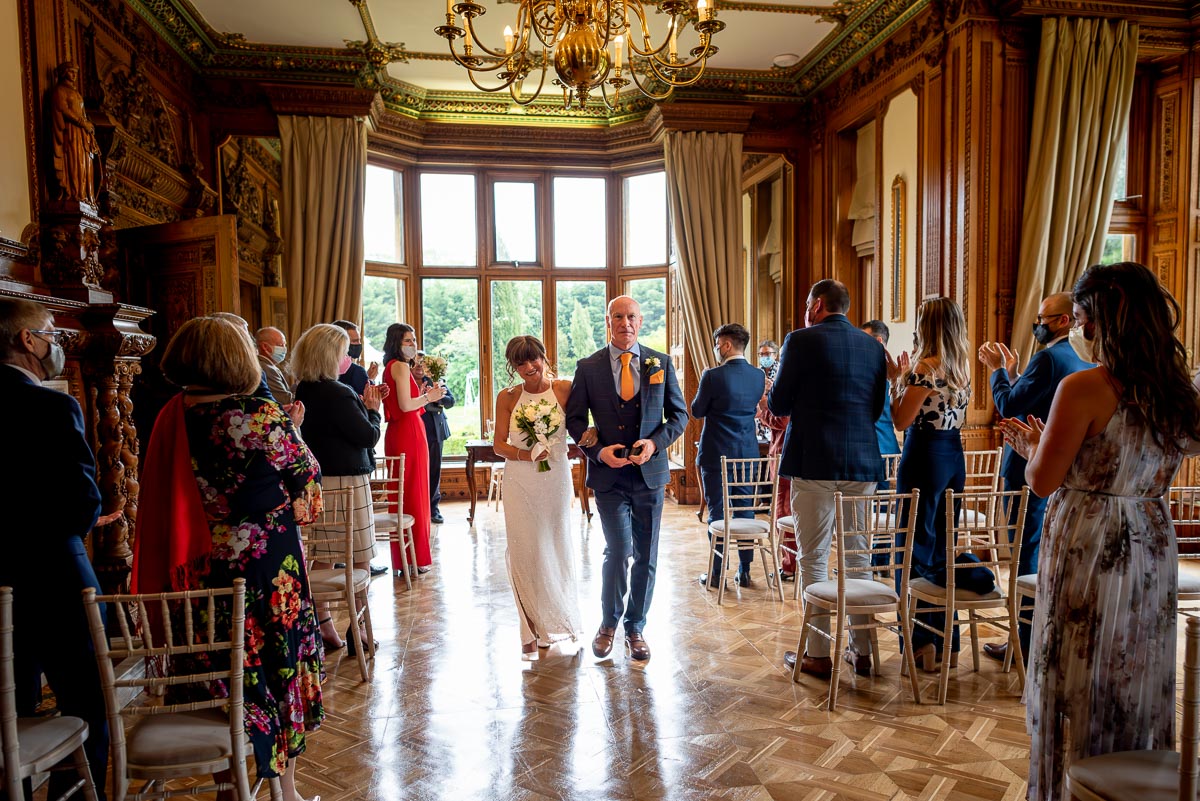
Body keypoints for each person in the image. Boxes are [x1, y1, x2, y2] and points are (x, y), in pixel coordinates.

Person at [1001, 262, 1200, 801]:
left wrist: (1032, 450)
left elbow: (1042, 482)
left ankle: (1073, 787)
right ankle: (1129, 777)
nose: (1082, 333)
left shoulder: (1084, 387)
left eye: (1084, 319)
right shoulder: (1178, 390)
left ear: (1099, 322)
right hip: (1152, 537)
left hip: (1090, 538)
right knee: (1134, 662)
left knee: (1078, 666)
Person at [132, 316, 324, 801]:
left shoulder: (171, 415)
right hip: (266, 570)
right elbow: (310, 493)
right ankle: (289, 792)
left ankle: (230, 787)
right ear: (238, 359)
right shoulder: (260, 415)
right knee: (279, 667)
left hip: (199, 567)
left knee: (224, 672)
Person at [0, 298, 111, 799]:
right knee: (87, 699)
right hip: (54, 573)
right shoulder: (50, 405)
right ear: (27, 340)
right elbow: (81, 499)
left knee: (9, 708)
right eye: (50, 332)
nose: (57, 343)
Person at [767, 279, 886, 679]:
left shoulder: (800, 341)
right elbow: (873, 409)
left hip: (813, 460)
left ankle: (818, 654)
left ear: (817, 305)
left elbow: (780, 403)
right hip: (862, 462)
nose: (805, 311)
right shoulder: (873, 346)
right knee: (858, 556)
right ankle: (863, 651)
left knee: (814, 556)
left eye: (806, 303)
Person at [566, 295, 687, 662]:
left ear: (641, 320)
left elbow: (678, 416)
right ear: (608, 321)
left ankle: (636, 627)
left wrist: (654, 443)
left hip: (650, 475)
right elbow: (574, 420)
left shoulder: (660, 362)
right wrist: (598, 450)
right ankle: (608, 623)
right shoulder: (588, 367)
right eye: (618, 316)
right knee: (618, 550)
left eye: (631, 316)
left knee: (647, 555)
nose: (625, 322)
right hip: (609, 477)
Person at [977, 292, 1089, 665]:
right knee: (1038, 553)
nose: (1037, 323)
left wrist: (996, 370)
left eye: (1043, 317)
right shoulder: (1074, 359)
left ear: (1064, 321)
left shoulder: (1048, 358)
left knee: (1025, 555)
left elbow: (1010, 406)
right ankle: (1033, 639)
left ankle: (1023, 643)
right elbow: (1029, 396)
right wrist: (1013, 374)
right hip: (1056, 470)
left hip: (1027, 467)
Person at [886, 297, 972, 672]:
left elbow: (901, 421)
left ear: (928, 325)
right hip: (953, 455)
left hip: (923, 455)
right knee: (943, 551)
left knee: (914, 548)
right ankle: (947, 644)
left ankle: (921, 643)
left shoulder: (925, 368)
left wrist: (895, 381)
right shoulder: (962, 368)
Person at [292, 323, 383, 652]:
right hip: (349, 480)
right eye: (344, 351)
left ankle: (325, 623)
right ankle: (358, 628)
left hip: (320, 480)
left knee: (326, 555)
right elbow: (368, 436)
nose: (348, 357)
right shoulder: (338, 392)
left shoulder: (305, 388)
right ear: (330, 355)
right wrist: (373, 410)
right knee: (359, 557)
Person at [491, 336, 584, 659]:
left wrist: (593, 435)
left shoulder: (563, 389)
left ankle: (554, 623)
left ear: (544, 357)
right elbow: (498, 445)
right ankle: (528, 628)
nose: (529, 368)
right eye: (521, 363)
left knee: (554, 546)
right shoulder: (507, 396)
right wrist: (525, 453)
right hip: (520, 481)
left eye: (534, 360)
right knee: (524, 551)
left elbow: (581, 427)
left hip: (555, 479)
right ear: (513, 367)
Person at [692, 323, 765, 589]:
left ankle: (715, 573)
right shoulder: (758, 376)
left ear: (725, 344)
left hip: (715, 453)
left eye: (717, 344)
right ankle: (745, 571)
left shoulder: (712, 376)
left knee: (718, 513)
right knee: (745, 510)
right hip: (747, 453)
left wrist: (704, 382)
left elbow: (697, 410)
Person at [381, 323, 445, 574]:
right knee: (414, 494)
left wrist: (425, 395)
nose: (413, 344)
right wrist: (431, 397)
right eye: (408, 341)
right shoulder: (398, 366)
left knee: (406, 494)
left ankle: (407, 559)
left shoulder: (394, 367)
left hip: (404, 431)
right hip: (408, 431)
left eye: (414, 340)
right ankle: (415, 559)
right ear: (396, 343)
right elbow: (407, 405)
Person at [412, 353, 455, 525]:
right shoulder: (405, 381)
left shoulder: (435, 380)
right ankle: (417, 507)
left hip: (435, 431)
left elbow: (451, 401)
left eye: (422, 363)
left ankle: (433, 508)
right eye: (415, 363)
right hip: (415, 429)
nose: (418, 366)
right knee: (417, 470)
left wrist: (437, 396)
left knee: (434, 470)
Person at [49, 61, 99, 204]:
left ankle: (84, 194)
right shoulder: (60, 91)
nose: (74, 75)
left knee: (84, 164)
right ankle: (74, 193)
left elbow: (81, 112)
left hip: (82, 134)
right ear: (64, 73)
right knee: (74, 161)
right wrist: (82, 123)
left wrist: (88, 125)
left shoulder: (75, 92)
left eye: (75, 73)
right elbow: (63, 110)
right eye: (71, 72)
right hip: (71, 132)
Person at [861, 320, 902, 472]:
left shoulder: (879, 372)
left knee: (879, 495)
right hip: (887, 444)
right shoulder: (894, 373)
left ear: (878, 341)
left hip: (876, 446)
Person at [332, 320, 377, 397]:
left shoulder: (316, 368)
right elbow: (368, 403)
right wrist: (370, 381)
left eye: (359, 340)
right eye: (355, 341)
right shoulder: (357, 371)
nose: (359, 344)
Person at [255, 326, 293, 405]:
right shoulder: (267, 368)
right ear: (265, 346)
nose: (284, 349)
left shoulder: (269, 365)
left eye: (285, 345)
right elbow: (285, 400)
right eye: (281, 345)